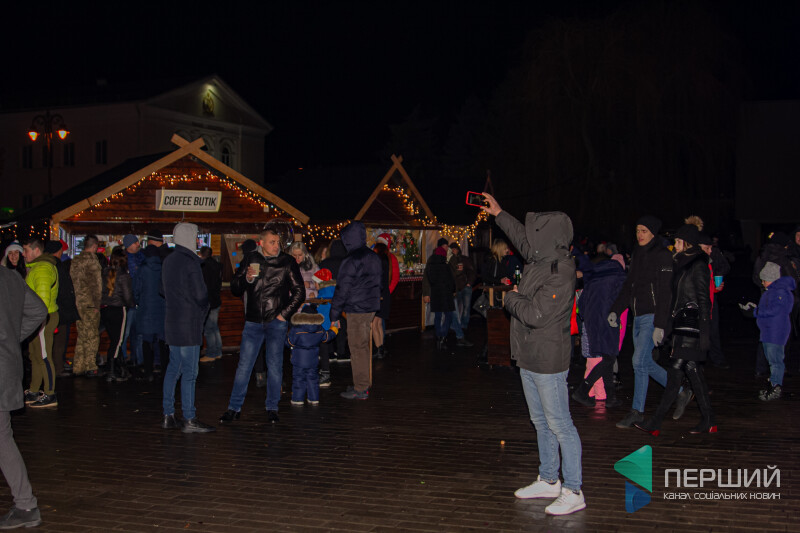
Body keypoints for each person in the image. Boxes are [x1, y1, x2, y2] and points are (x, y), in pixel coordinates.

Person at [480, 193, 586, 516]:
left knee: (560, 424)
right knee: (540, 421)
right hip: (528, 354)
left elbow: (536, 314)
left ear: (549, 236)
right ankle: (549, 478)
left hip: (548, 359)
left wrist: (510, 298)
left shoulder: (561, 270)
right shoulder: (540, 258)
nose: (530, 239)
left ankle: (573, 489)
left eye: (536, 233)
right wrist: (499, 213)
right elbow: (520, 238)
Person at [635, 224, 716, 435]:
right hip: (681, 325)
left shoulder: (697, 264)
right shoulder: (681, 263)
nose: (675, 245)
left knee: (674, 373)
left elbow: (703, 299)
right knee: (692, 371)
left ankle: (655, 422)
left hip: (691, 326)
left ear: (687, 243)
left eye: (678, 241)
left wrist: (704, 332)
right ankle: (709, 420)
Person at [220, 225, 305, 424]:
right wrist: (247, 278)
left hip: (276, 322)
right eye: (272, 242)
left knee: (274, 366)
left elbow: (299, 291)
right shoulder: (251, 258)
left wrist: (283, 315)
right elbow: (235, 287)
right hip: (253, 321)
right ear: (262, 243)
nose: (276, 246)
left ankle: (272, 407)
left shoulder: (287, 261)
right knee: (244, 366)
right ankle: (234, 408)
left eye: (278, 243)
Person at [608, 216, 674, 429]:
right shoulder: (638, 253)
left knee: (638, 362)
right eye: (637, 230)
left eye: (644, 231)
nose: (639, 235)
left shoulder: (663, 255)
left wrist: (661, 324)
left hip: (652, 316)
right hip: (637, 317)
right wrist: (616, 309)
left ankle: (637, 411)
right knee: (644, 363)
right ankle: (679, 390)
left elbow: (665, 292)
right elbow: (629, 285)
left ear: (653, 232)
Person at [0, 266, 47, 529]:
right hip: (6, 365)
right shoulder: (10, 277)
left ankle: (26, 504)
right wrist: (10, 337)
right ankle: (26, 504)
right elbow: (38, 310)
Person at [161, 223, 215, 433]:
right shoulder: (191, 262)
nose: (198, 240)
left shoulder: (168, 260)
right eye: (196, 236)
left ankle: (168, 414)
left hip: (172, 321)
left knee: (174, 368)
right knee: (190, 372)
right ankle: (189, 418)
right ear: (189, 237)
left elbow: (162, 290)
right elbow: (201, 295)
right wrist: (202, 307)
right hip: (189, 323)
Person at [330, 221, 381, 400]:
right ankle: (363, 383)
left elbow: (342, 289)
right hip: (370, 307)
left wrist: (334, 314)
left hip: (357, 309)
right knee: (363, 347)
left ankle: (361, 388)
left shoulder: (351, 259)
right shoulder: (373, 256)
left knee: (357, 348)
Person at [571, 257, 627, 409]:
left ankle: (610, 397)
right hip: (608, 320)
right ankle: (583, 390)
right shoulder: (619, 277)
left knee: (606, 357)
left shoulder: (594, 277)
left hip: (591, 322)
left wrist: (587, 317)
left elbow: (582, 303)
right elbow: (623, 299)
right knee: (609, 358)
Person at [745, 262, 795, 401]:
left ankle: (775, 387)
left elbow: (775, 310)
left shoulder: (780, 292)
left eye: (764, 280)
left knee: (775, 361)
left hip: (775, 332)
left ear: (772, 279)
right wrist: (755, 308)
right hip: (769, 331)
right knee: (772, 360)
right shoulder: (773, 291)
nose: (762, 283)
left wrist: (756, 312)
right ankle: (773, 384)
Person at [21, 238, 59, 409]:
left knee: (44, 356)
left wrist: (36, 320)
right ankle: (34, 390)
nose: (24, 254)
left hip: (42, 318)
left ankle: (50, 393)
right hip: (37, 318)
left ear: (36, 250)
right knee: (35, 355)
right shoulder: (37, 267)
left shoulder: (42, 268)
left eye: (26, 250)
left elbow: (42, 301)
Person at [287, 305, 338, 405]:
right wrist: (334, 329)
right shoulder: (319, 328)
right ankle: (314, 398)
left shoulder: (296, 329)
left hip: (299, 359)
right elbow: (327, 337)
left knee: (298, 378)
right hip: (313, 359)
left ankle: (298, 399)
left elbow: (289, 342)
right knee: (313, 379)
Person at [44, 240, 79, 378]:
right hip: (59, 309)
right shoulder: (58, 266)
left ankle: (53, 367)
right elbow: (64, 289)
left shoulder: (45, 265)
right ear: (58, 251)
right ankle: (57, 368)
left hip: (52, 308)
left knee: (52, 341)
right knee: (59, 340)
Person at [70, 235, 104, 377]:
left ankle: (78, 365)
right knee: (92, 335)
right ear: (95, 246)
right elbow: (97, 285)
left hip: (77, 303)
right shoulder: (92, 261)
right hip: (90, 303)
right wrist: (97, 304)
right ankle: (91, 366)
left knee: (82, 335)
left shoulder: (75, 260)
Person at [133, 245, 166, 382]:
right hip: (162, 309)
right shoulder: (164, 268)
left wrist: (139, 301)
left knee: (147, 341)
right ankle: (164, 371)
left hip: (146, 309)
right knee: (163, 341)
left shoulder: (142, 269)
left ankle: (148, 372)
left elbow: (136, 289)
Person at [101, 247, 134, 382]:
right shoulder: (124, 275)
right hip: (118, 309)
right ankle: (112, 370)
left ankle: (119, 368)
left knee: (114, 340)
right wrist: (132, 304)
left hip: (105, 308)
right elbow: (127, 295)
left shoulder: (105, 272)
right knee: (118, 341)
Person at [698, 232, 731, 368]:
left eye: (711, 247)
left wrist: (716, 288)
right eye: (707, 248)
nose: (710, 251)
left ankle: (715, 358)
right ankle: (697, 363)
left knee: (713, 331)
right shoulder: (694, 263)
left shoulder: (709, 261)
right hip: (698, 304)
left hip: (710, 302)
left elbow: (724, 267)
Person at [423, 244, 464, 350]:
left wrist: (428, 293)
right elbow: (451, 280)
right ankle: (443, 335)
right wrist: (453, 290)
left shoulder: (430, 266)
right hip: (446, 294)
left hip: (435, 294)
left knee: (438, 316)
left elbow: (428, 280)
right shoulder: (445, 266)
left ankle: (438, 335)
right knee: (448, 315)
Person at [321, 239, 350, 363]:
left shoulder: (324, 263)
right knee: (341, 324)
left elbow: (317, 282)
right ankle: (341, 352)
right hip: (342, 298)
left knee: (328, 323)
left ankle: (330, 352)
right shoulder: (346, 263)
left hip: (327, 299)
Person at [121, 234, 144, 368]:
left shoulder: (140, 257)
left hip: (137, 301)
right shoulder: (124, 260)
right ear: (129, 245)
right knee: (126, 333)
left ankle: (137, 359)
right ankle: (124, 359)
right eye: (135, 243)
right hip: (129, 303)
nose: (138, 244)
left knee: (137, 333)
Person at [199, 246, 223, 363]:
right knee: (214, 328)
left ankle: (211, 353)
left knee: (209, 329)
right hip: (216, 300)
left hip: (208, 301)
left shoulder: (203, 266)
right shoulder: (217, 265)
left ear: (201, 254)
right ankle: (218, 351)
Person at [313, 268, 336, 387]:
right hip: (327, 323)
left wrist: (314, 301)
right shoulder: (329, 290)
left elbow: (322, 308)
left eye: (315, 282)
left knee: (323, 349)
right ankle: (324, 371)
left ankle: (325, 374)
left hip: (324, 324)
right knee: (324, 348)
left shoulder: (325, 292)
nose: (314, 285)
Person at [449, 242, 476, 332]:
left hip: (465, 286)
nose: (454, 251)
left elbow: (472, 271)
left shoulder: (464, 259)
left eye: (455, 249)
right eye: (452, 249)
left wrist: (469, 283)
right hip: (455, 288)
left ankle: (464, 325)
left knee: (466, 307)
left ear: (458, 250)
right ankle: (455, 325)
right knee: (454, 309)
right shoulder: (449, 260)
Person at [371, 242, 392, 358]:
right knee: (378, 323)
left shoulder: (378, 262)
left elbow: (376, 279)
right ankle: (381, 347)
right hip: (385, 294)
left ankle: (378, 348)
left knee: (374, 323)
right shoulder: (386, 261)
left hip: (379, 294)